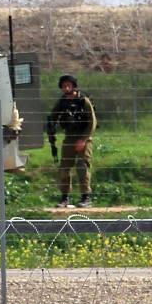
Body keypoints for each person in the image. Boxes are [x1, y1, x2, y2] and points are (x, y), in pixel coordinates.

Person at [46, 74, 97, 208]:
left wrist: (84, 139)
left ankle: (86, 198)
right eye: (64, 85)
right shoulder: (62, 102)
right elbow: (53, 117)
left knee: (82, 167)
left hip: (83, 138)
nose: (66, 87)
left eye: (69, 84)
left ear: (74, 86)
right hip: (69, 137)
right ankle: (65, 198)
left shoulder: (83, 101)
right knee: (64, 168)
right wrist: (50, 129)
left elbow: (92, 122)